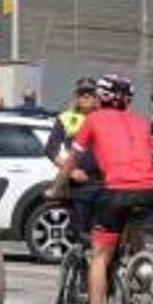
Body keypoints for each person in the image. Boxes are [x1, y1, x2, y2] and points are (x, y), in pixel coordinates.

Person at [56, 75, 153, 304]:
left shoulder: (92, 120)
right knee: (135, 220)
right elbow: (152, 156)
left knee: (99, 254)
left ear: (102, 98)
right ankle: (143, 264)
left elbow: (71, 160)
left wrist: (57, 187)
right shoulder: (142, 122)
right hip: (150, 189)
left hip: (117, 190)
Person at [43, 77, 101, 243]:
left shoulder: (104, 118)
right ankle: (81, 263)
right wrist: (71, 171)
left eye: (90, 93)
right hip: (80, 183)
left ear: (97, 97)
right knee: (82, 234)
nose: (86, 97)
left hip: (104, 181)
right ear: (76, 97)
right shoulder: (66, 118)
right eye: (82, 93)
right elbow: (51, 149)